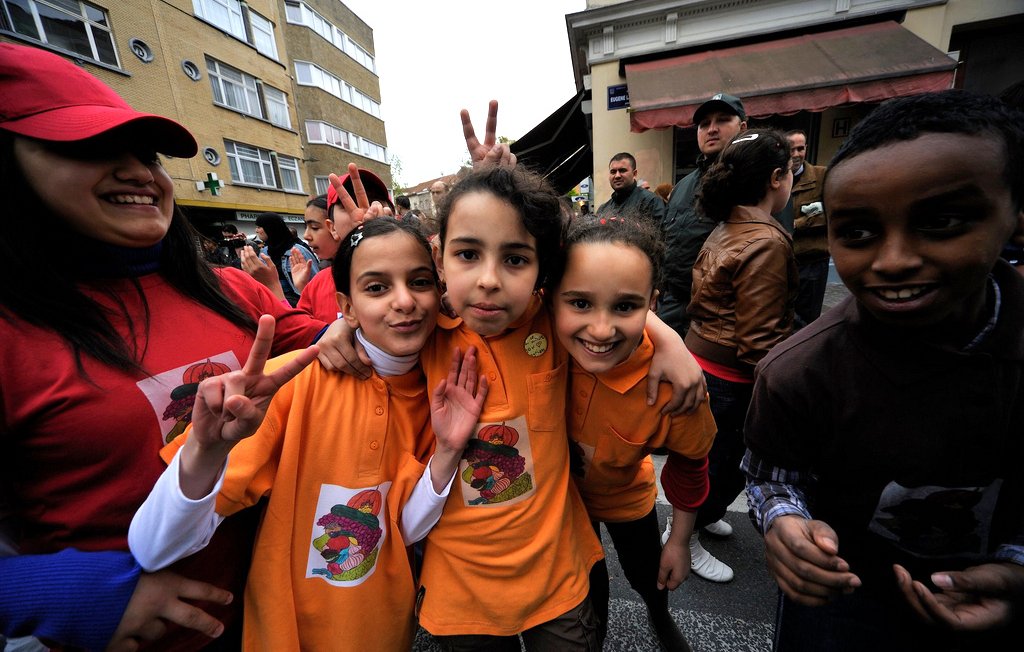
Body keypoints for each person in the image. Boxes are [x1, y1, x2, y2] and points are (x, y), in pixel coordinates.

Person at [0, 42, 326, 651]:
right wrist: (54, 591)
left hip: (273, 614)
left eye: (145, 154)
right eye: (90, 148)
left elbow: (339, 345)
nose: (138, 173)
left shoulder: (228, 288)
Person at [742, 90, 1024, 652]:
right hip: (843, 592)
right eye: (859, 233)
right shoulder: (797, 371)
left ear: (1014, 218)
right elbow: (774, 474)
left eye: (941, 221)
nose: (893, 259)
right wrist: (786, 526)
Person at [129, 216, 489, 650]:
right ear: (347, 306)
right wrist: (207, 450)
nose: (404, 301)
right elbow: (152, 549)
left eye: (419, 282)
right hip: (286, 634)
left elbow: (401, 532)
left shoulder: (441, 387)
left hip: (385, 629)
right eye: (376, 287)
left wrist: (448, 452)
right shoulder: (287, 384)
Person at [551, 215, 718, 650]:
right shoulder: (544, 345)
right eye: (580, 304)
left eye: (625, 307)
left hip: (629, 498)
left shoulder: (673, 387)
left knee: (648, 574)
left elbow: (691, 465)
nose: (601, 330)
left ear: (652, 305)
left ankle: (659, 617)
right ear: (550, 300)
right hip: (564, 502)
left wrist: (680, 540)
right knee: (589, 583)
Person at [679, 129, 798, 583]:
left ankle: (699, 520)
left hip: (706, 364)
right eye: (789, 173)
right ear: (775, 178)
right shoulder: (766, 239)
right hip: (730, 376)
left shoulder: (729, 226)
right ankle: (685, 536)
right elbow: (759, 340)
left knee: (707, 458)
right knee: (719, 462)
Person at [658, 92, 748, 337]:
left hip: (719, 315)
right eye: (704, 124)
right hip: (674, 305)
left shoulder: (751, 182)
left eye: (721, 120)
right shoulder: (683, 185)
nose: (711, 129)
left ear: (742, 127)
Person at [296, 166, 394, 322]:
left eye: (375, 201)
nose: (368, 210)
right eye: (350, 202)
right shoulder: (316, 286)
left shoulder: (420, 265)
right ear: (332, 227)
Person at [786, 129, 830, 325]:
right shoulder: (777, 179)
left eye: (800, 148)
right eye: (791, 149)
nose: (796, 154)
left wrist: (797, 223)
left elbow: (830, 213)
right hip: (786, 261)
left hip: (812, 261)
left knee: (807, 319)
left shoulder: (822, 176)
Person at [253, 212, 319, 307]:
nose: (257, 230)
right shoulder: (264, 252)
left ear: (270, 227)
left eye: (259, 227)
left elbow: (316, 281)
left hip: (300, 304)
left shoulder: (298, 251)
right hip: (274, 303)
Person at [595, 152, 666, 226]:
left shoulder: (650, 202)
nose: (617, 176)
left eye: (622, 170)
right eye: (613, 172)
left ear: (634, 174)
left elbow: (660, 235)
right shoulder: (603, 209)